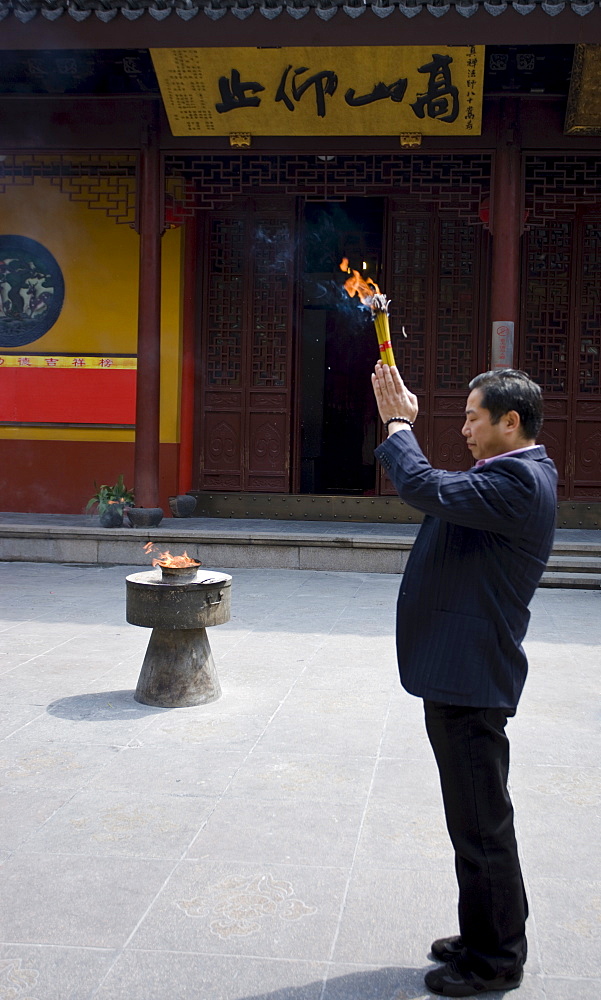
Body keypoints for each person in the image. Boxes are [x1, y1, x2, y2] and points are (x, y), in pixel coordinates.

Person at [371, 363, 557, 998]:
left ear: (511, 421)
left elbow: (423, 485)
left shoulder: (520, 481)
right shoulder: (509, 474)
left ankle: (496, 958)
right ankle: (482, 932)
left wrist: (399, 423)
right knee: (473, 821)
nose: (464, 427)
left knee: (482, 826)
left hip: (472, 676)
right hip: (462, 670)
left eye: (474, 417)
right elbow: (438, 486)